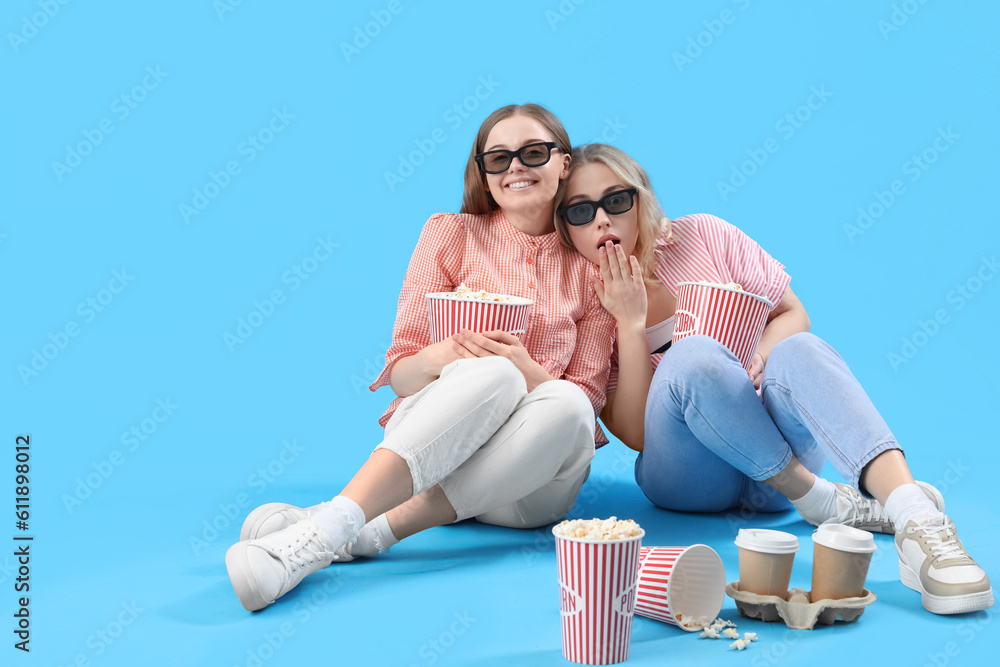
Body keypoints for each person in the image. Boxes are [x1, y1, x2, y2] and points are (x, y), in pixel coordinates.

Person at [551, 143, 992, 615]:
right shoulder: (575, 300)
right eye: (580, 210)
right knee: (695, 354)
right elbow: (637, 434)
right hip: (689, 479)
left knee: (799, 347)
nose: (602, 219)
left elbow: (793, 311)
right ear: (565, 227)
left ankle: (916, 518)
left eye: (616, 200)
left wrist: (760, 354)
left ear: (641, 200)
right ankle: (822, 499)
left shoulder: (702, 237)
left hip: (774, 480)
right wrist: (630, 322)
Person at [224, 105, 615, 611]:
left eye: (533, 152)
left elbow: (585, 408)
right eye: (498, 158)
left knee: (564, 402)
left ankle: (356, 528)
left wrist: (526, 369)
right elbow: (401, 374)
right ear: (484, 172)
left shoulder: (591, 267)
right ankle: (330, 533)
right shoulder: (449, 234)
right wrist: (448, 353)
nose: (515, 166)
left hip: (527, 486)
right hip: (433, 448)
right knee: (489, 370)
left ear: (564, 164)